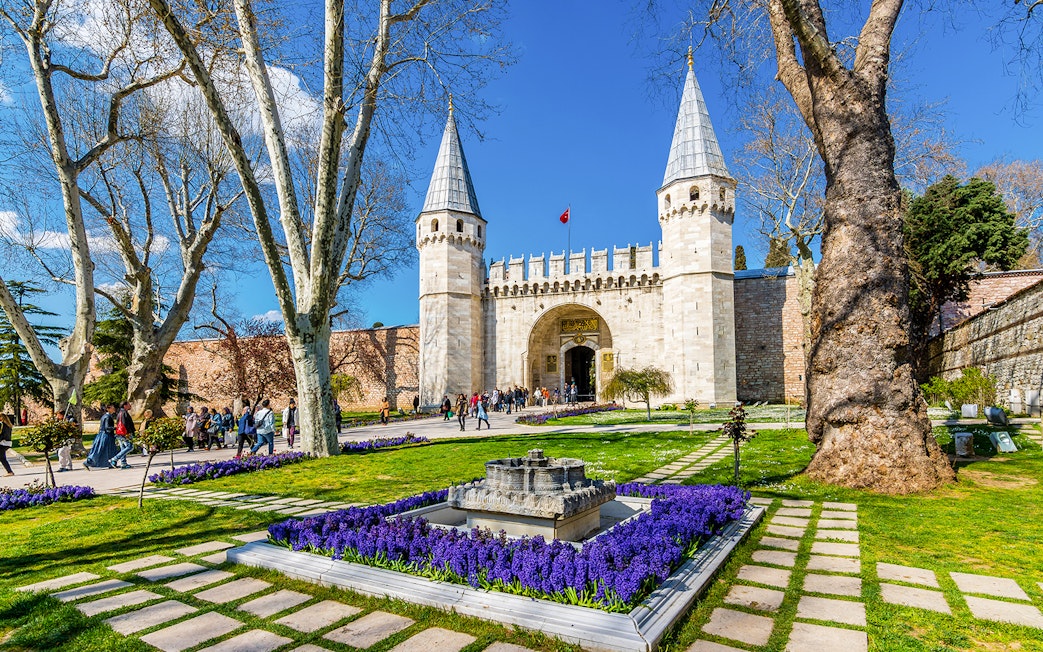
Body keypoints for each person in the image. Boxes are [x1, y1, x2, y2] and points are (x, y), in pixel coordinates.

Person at [84, 404, 119, 470]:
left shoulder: (105, 416)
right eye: (113, 407)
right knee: (101, 450)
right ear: (108, 408)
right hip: (106, 435)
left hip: (102, 435)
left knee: (102, 450)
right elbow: (107, 427)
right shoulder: (107, 417)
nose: (114, 409)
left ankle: (109, 463)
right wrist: (116, 428)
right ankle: (88, 462)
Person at [108, 401, 135, 469]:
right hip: (124, 433)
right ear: (124, 405)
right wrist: (129, 433)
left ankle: (123, 463)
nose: (130, 405)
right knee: (130, 446)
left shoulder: (119, 413)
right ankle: (114, 459)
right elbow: (125, 424)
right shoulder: (124, 413)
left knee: (123, 448)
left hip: (119, 433)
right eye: (129, 404)